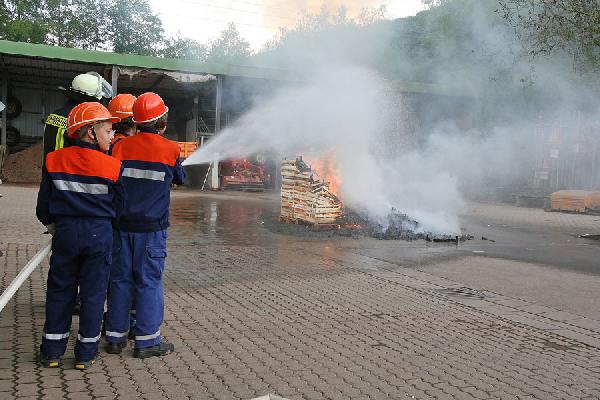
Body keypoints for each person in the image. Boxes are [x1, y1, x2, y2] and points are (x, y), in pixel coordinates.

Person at [36, 102, 124, 369]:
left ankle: (52, 352)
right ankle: (85, 355)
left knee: (60, 291)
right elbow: (120, 208)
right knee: (94, 295)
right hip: (99, 234)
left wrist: (57, 228)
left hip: (65, 233)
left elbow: (42, 207)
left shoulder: (54, 159)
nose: (112, 136)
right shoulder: (113, 166)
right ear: (90, 132)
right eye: (107, 130)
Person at [105, 92, 185, 358]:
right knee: (149, 282)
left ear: (136, 121)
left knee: (120, 280)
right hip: (152, 230)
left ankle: (115, 339)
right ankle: (147, 341)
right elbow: (180, 178)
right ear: (162, 121)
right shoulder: (170, 149)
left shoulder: (119, 147)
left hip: (121, 227)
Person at [43, 72, 113, 165]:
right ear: (90, 99)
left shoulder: (54, 115)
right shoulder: (78, 121)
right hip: (66, 171)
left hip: (50, 170)